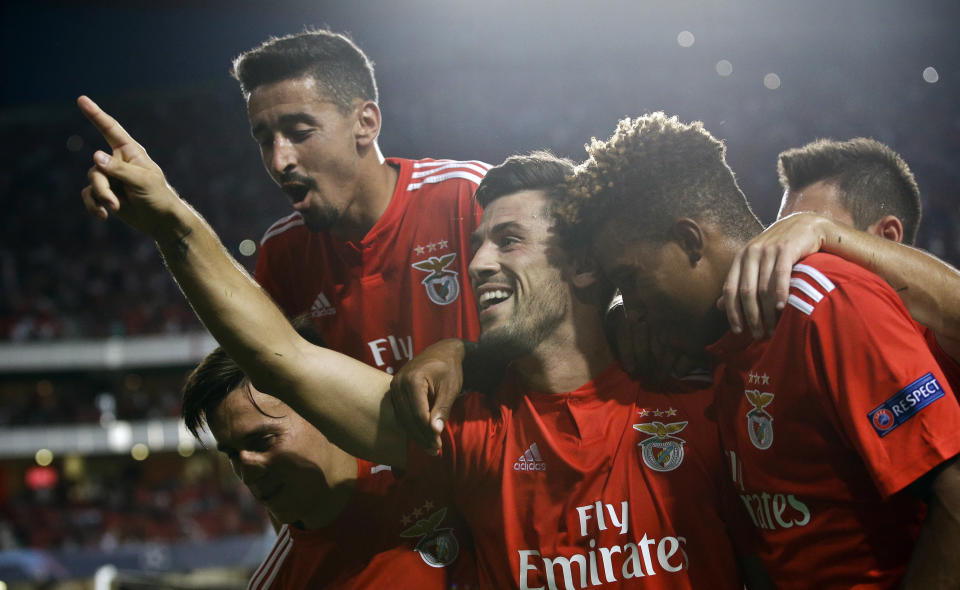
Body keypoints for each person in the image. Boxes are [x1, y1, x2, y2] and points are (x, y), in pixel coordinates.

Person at [77, 100, 757, 588]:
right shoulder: (465, 430)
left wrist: (813, 231)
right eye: (477, 242)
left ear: (583, 264)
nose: (479, 261)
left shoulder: (705, 395)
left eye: (510, 241)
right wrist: (172, 222)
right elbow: (280, 360)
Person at [561, 112, 960, 589]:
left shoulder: (820, 302)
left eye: (630, 280)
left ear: (690, 240)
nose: (634, 308)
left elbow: (955, 496)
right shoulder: (721, 342)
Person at [233, 30, 489, 375]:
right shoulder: (283, 251)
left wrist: (461, 353)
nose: (280, 161)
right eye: (265, 141)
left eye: (299, 133)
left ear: (365, 124)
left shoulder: (468, 196)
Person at [181, 325, 472, 589]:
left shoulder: (428, 460)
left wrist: (458, 350)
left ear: (318, 410)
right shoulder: (281, 582)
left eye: (262, 440)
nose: (246, 467)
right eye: (232, 454)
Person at [719, 137, 960, 367]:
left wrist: (818, 228)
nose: (790, 258)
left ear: (887, 237)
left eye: (810, 240)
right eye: (784, 232)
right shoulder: (778, 338)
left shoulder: (933, 338)